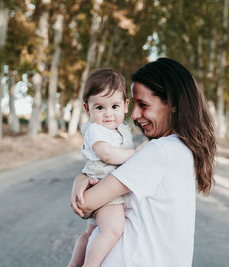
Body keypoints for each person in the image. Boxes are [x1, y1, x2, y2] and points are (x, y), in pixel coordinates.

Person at [70, 57, 217, 267]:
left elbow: (85, 205)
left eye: (143, 105)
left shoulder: (160, 151)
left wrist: (79, 183)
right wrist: (83, 176)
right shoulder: (180, 149)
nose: (136, 114)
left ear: (172, 104)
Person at [68, 69, 145, 267]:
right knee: (113, 230)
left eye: (114, 106)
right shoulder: (95, 130)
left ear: (126, 106)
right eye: (100, 108)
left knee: (91, 234)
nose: (108, 113)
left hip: (103, 187)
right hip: (106, 191)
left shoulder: (121, 129)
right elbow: (108, 155)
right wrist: (136, 154)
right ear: (88, 108)